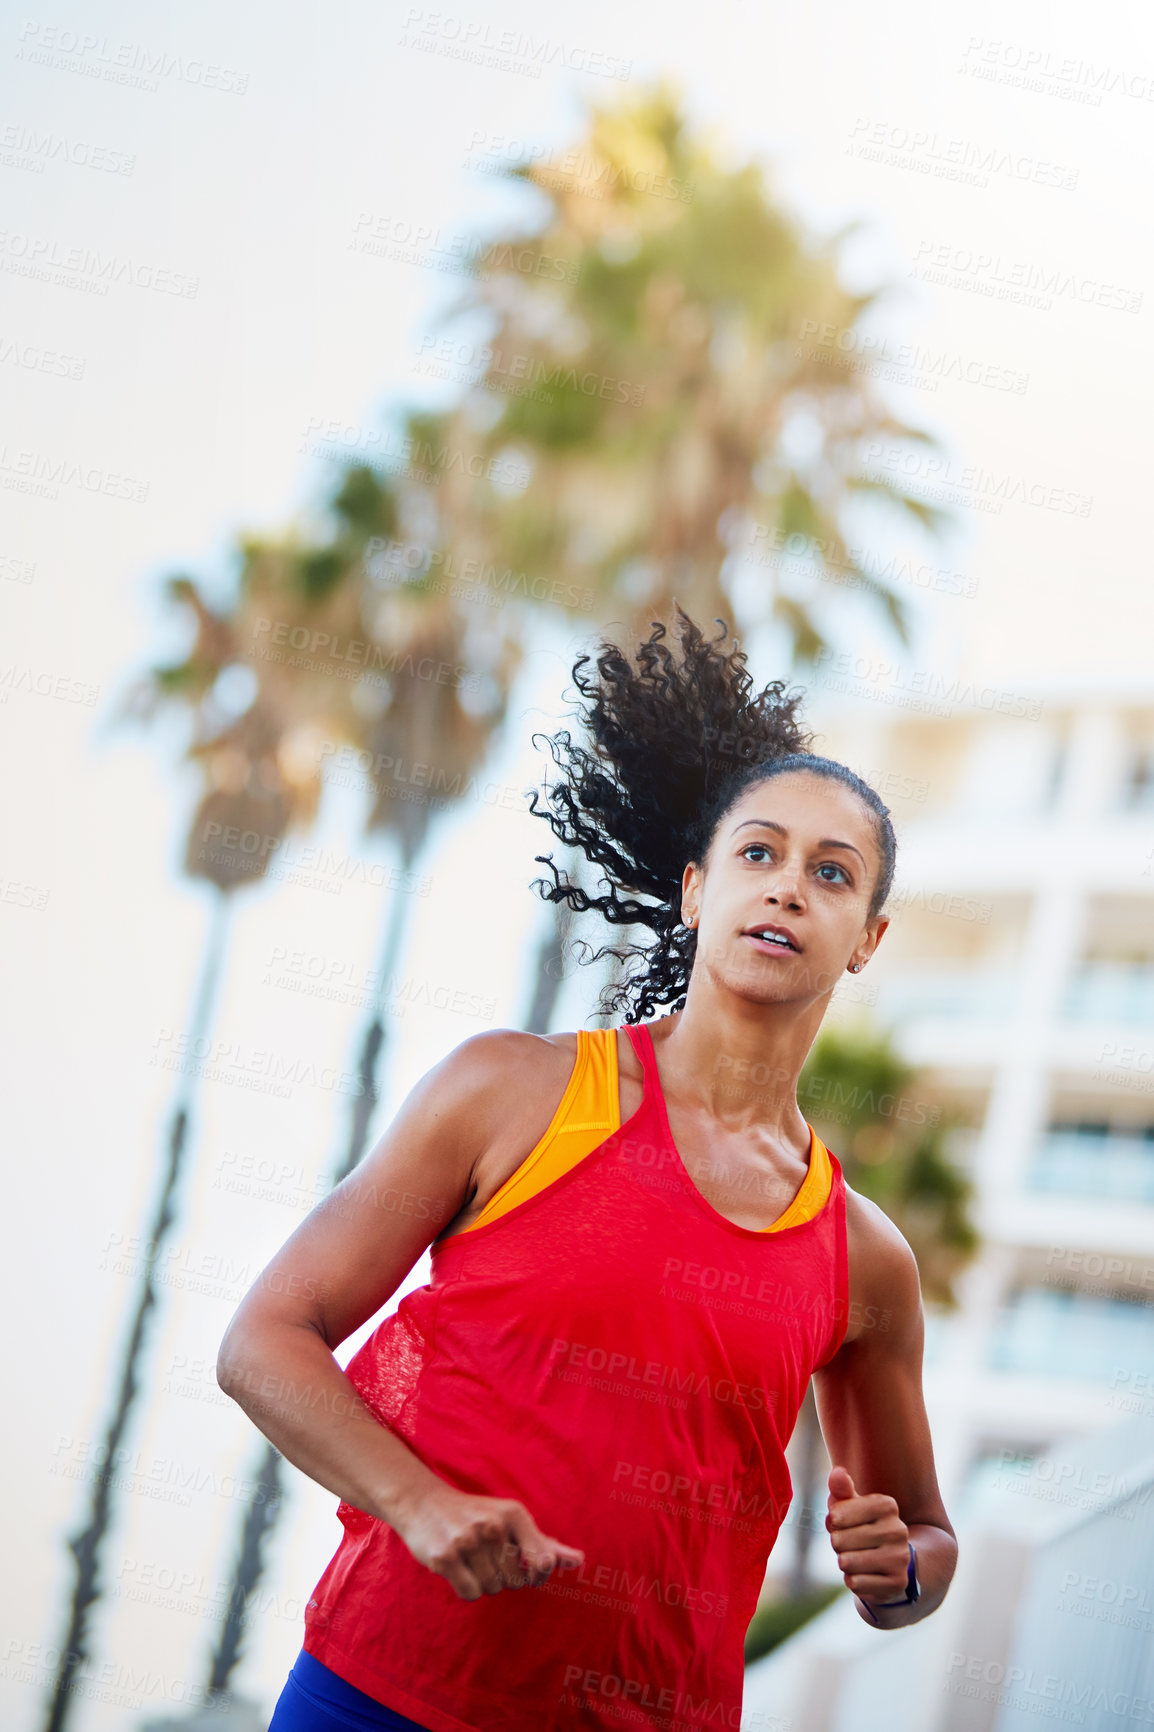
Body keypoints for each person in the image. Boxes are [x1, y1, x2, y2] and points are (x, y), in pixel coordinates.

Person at [218, 608, 957, 1732]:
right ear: (698, 889)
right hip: (378, 1693)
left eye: (831, 872)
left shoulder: (864, 1257)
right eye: (756, 852)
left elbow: (921, 1536)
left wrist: (899, 1569)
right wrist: (416, 1503)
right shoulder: (509, 1090)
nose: (787, 886)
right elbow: (264, 1339)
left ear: (865, 936)